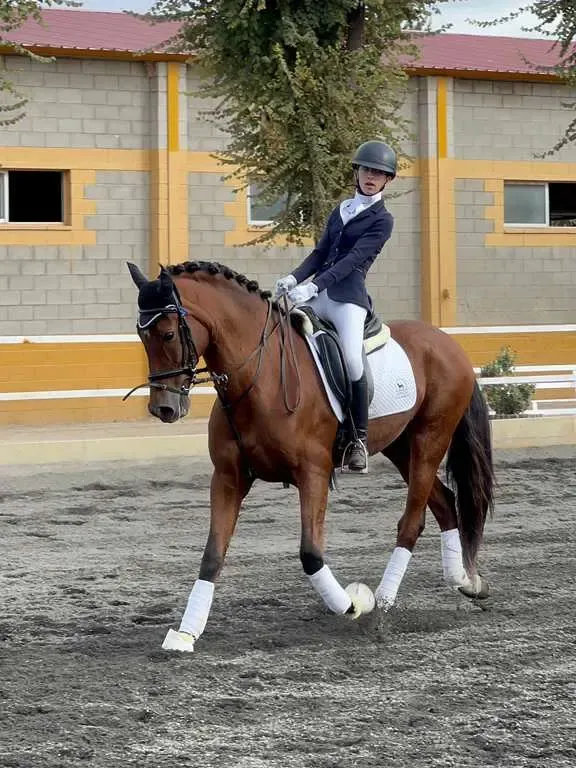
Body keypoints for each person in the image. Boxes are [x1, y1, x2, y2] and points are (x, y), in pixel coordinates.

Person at [274, 139, 396, 473]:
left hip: (347, 300)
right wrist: (293, 278)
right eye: (367, 169)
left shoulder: (383, 220)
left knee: (353, 360)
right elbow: (319, 254)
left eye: (380, 173)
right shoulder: (340, 210)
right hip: (315, 295)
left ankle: (357, 439)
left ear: (387, 180)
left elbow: (354, 259)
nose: (372, 177)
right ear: (357, 172)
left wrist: (314, 285)